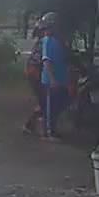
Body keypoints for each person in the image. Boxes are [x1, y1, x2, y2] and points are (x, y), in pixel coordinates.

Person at [37, 12, 70, 140]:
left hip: (59, 79)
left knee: (58, 104)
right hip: (51, 81)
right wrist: (52, 79)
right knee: (52, 107)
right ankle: (49, 132)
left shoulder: (56, 40)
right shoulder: (48, 41)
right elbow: (47, 61)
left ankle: (49, 129)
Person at [23, 23, 45, 135]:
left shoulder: (41, 42)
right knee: (43, 101)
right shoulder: (43, 43)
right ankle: (31, 125)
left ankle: (32, 125)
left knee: (43, 100)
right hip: (35, 73)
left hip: (34, 72)